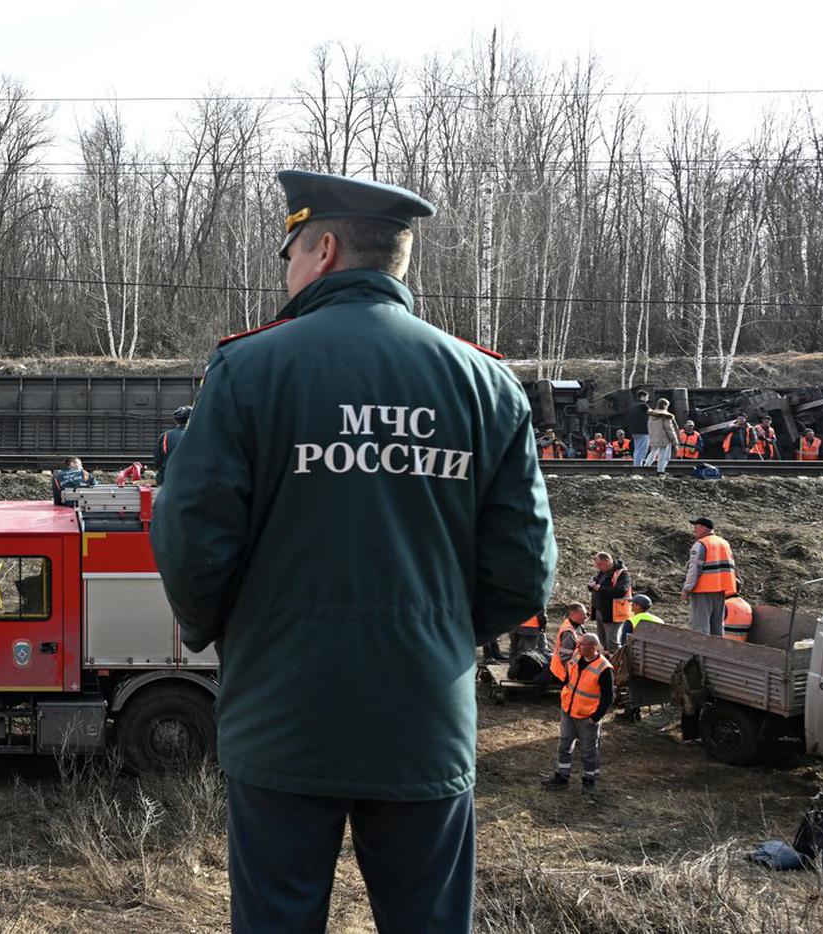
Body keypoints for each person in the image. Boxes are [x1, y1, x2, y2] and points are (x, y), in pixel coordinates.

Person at [150, 169, 557, 934]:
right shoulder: (485, 384)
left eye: (292, 255)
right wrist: (436, 631)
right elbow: (524, 570)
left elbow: (192, 537)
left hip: (282, 713)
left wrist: (232, 632)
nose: (289, 274)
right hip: (423, 719)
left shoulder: (249, 369)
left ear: (326, 249)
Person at [541, 633, 614, 795]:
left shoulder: (604, 668)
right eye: (578, 643)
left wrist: (595, 718)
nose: (578, 647)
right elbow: (568, 678)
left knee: (589, 750)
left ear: (593, 647)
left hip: (587, 717)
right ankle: (562, 776)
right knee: (564, 745)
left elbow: (608, 697)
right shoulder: (576, 656)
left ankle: (589, 779)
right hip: (568, 711)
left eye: (582, 644)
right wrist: (565, 695)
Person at [682, 516, 737, 636]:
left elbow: (694, 569)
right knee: (717, 627)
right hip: (720, 590)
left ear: (703, 528)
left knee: (700, 627)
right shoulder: (724, 543)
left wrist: (687, 589)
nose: (694, 530)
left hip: (703, 590)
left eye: (696, 527)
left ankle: (700, 648)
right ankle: (716, 648)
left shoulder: (702, 544)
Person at [587, 552, 632, 650]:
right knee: (602, 641)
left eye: (600, 564)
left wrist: (599, 588)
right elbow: (596, 584)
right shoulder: (603, 571)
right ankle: (606, 658)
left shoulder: (623, 574)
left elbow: (620, 591)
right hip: (600, 610)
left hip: (613, 614)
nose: (598, 567)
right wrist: (591, 585)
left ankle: (615, 659)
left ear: (607, 561)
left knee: (612, 642)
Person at [548, 603, 587, 683]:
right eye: (583, 614)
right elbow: (565, 658)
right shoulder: (568, 633)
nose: (585, 617)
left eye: (586, 614)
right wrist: (572, 675)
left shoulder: (577, 625)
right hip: (563, 672)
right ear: (572, 615)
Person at [155, 405, 192, 485]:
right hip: (190, 479)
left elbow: (157, 462)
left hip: (167, 479)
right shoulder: (197, 436)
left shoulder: (164, 436)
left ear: (176, 420)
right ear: (190, 419)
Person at [645, 397, 679, 475]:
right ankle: (660, 470)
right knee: (663, 454)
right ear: (664, 405)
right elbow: (669, 429)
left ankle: (646, 466)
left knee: (653, 452)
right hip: (664, 438)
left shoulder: (652, 415)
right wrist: (674, 441)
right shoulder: (666, 416)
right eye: (667, 406)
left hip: (654, 436)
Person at [628, 389, 652, 466]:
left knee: (637, 449)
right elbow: (652, 413)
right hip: (643, 431)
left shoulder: (632, 406)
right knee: (642, 450)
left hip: (634, 431)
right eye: (647, 397)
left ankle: (636, 465)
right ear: (643, 397)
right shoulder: (643, 405)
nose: (648, 399)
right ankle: (638, 467)